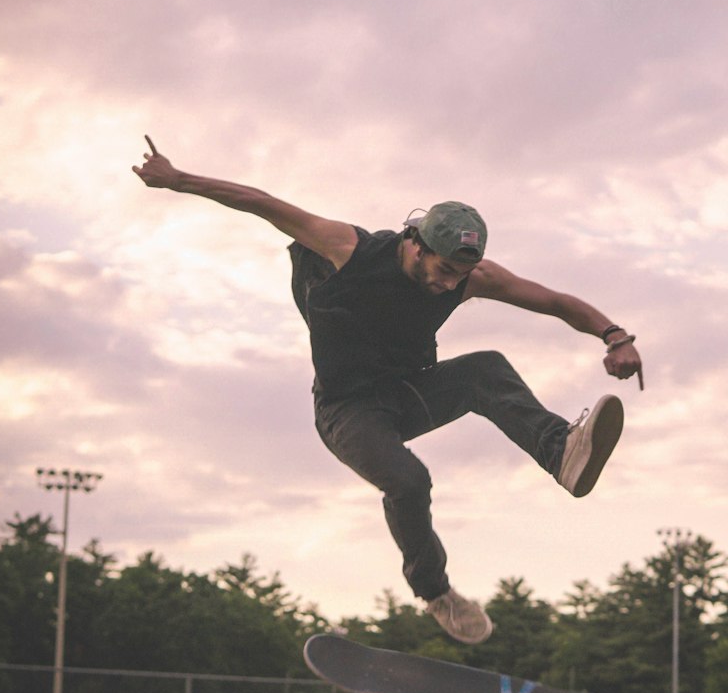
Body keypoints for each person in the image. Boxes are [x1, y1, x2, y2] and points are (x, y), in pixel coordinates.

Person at [133, 137, 643, 644]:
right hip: (347, 411)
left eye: (461, 276)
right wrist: (177, 180)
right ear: (416, 244)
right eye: (444, 271)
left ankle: (561, 454)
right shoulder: (347, 248)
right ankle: (437, 594)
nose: (451, 285)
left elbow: (552, 300)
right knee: (408, 480)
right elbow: (261, 202)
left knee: (486, 369)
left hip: (408, 392)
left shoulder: (470, 277)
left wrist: (613, 335)